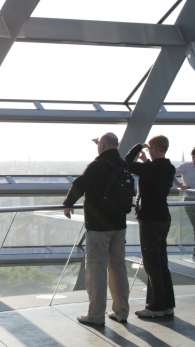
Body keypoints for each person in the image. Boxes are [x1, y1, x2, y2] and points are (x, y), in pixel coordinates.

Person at [63, 132, 129, 325]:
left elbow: (80, 184)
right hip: (119, 224)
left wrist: (68, 203)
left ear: (102, 146)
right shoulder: (123, 165)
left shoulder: (97, 165)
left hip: (99, 226)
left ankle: (96, 315)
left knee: (97, 269)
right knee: (118, 269)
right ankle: (121, 311)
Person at [125, 135, 175, 318]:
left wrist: (138, 146)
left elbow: (127, 164)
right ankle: (167, 304)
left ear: (154, 148)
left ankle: (156, 306)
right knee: (161, 264)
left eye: (148, 149)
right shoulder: (169, 168)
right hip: (163, 218)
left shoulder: (151, 168)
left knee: (152, 265)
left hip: (150, 220)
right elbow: (154, 174)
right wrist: (146, 161)